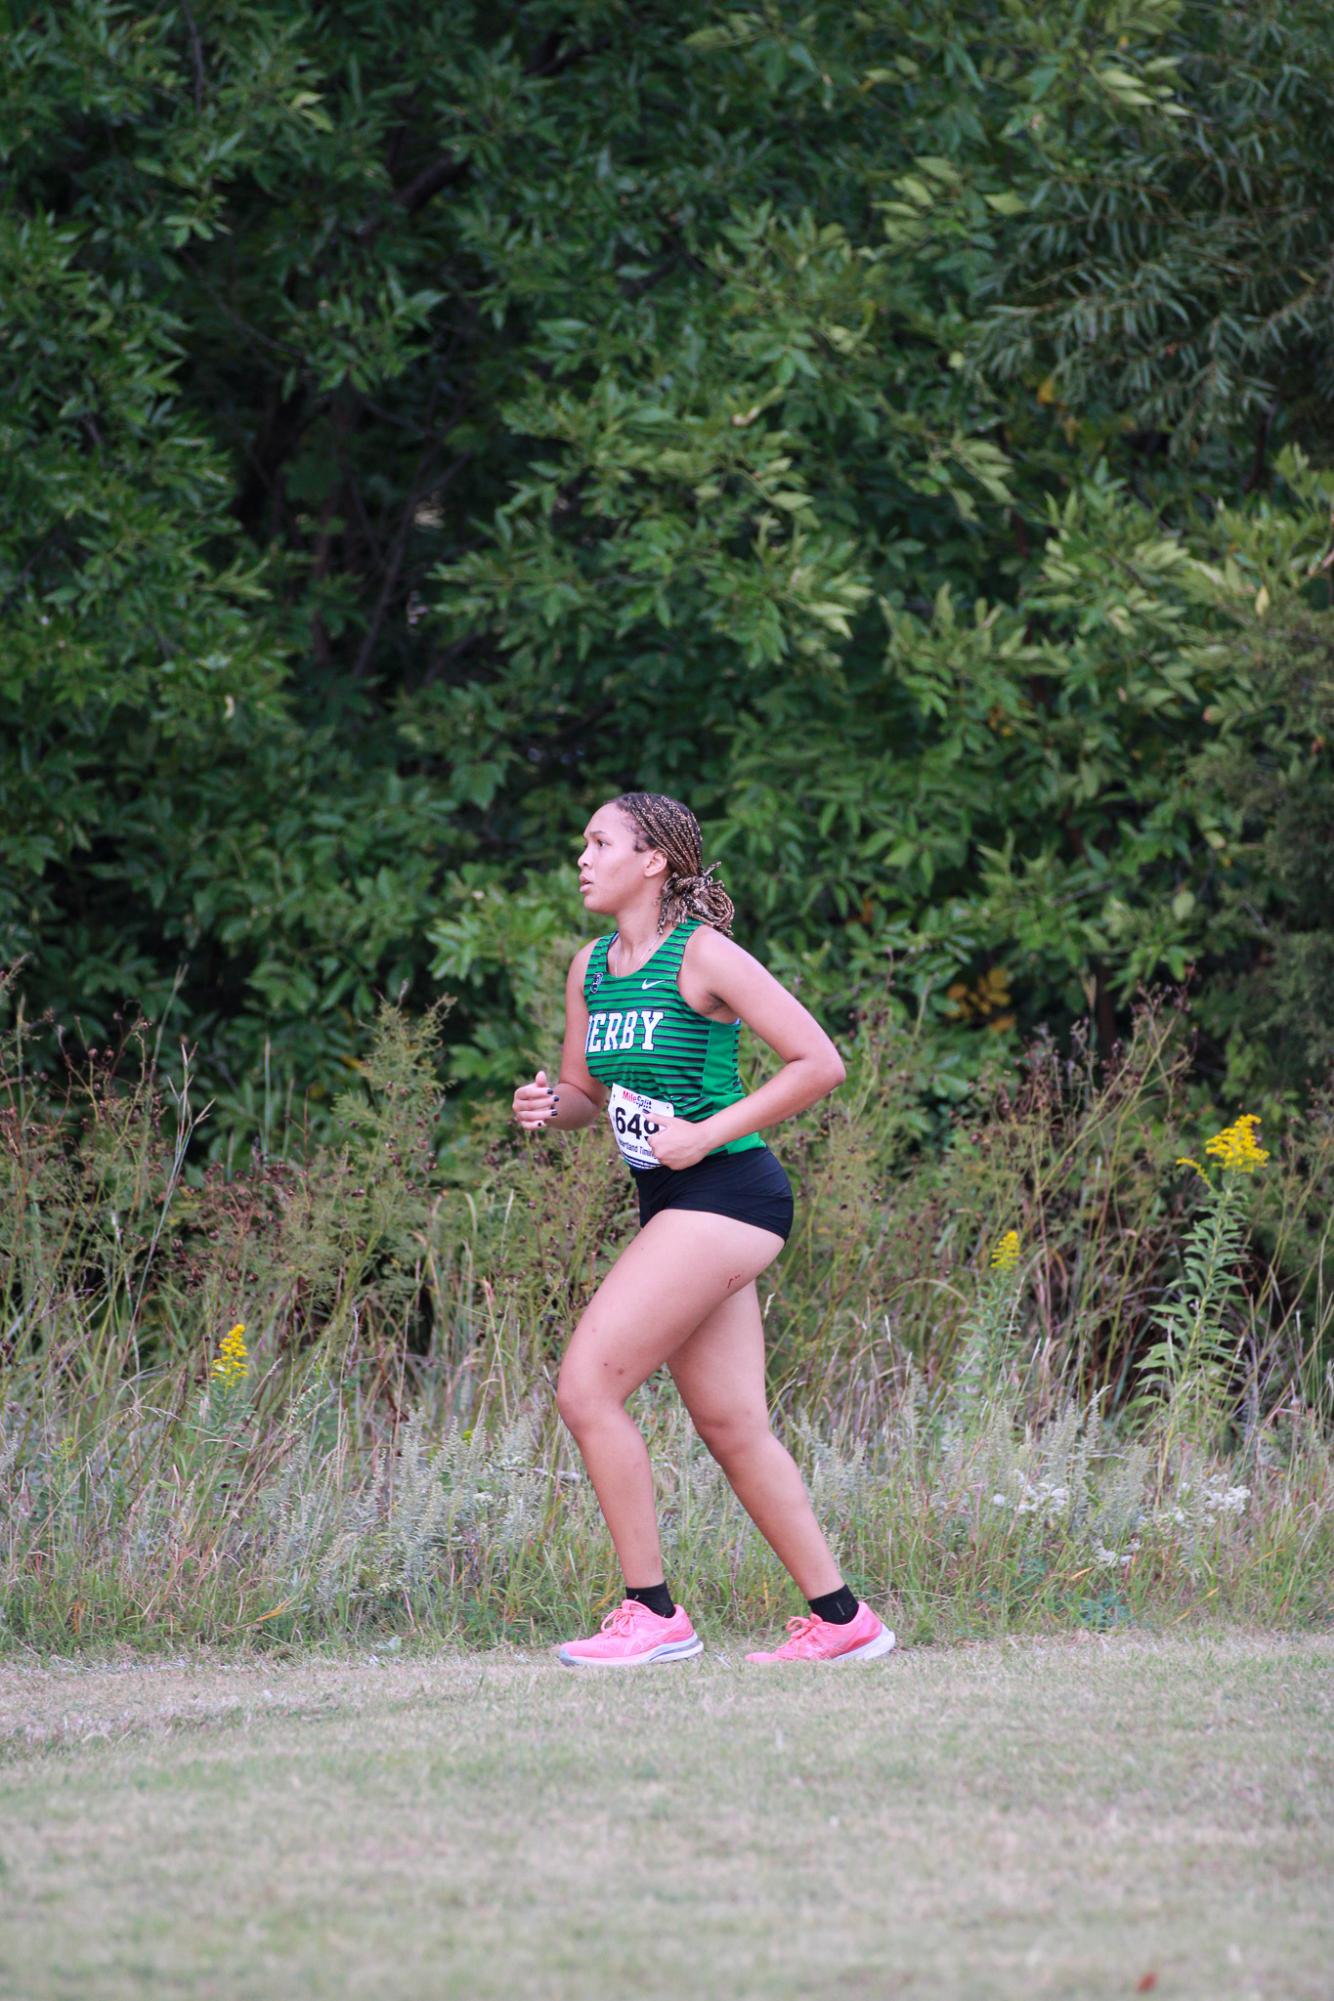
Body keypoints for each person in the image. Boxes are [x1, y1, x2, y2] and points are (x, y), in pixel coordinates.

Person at [511, 791, 895, 1668]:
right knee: (731, 1424)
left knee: (585, 1388)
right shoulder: (592, 967)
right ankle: (844, 1619)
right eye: (583, 842)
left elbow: (820, 1062)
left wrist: (704, 1133)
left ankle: (653, 1613)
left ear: (652, 861)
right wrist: (547, 1105)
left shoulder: (704, 955)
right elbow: (586, 1096)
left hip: (732, 1192)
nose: (582, 856)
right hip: (675, 1205)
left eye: (599, 842)